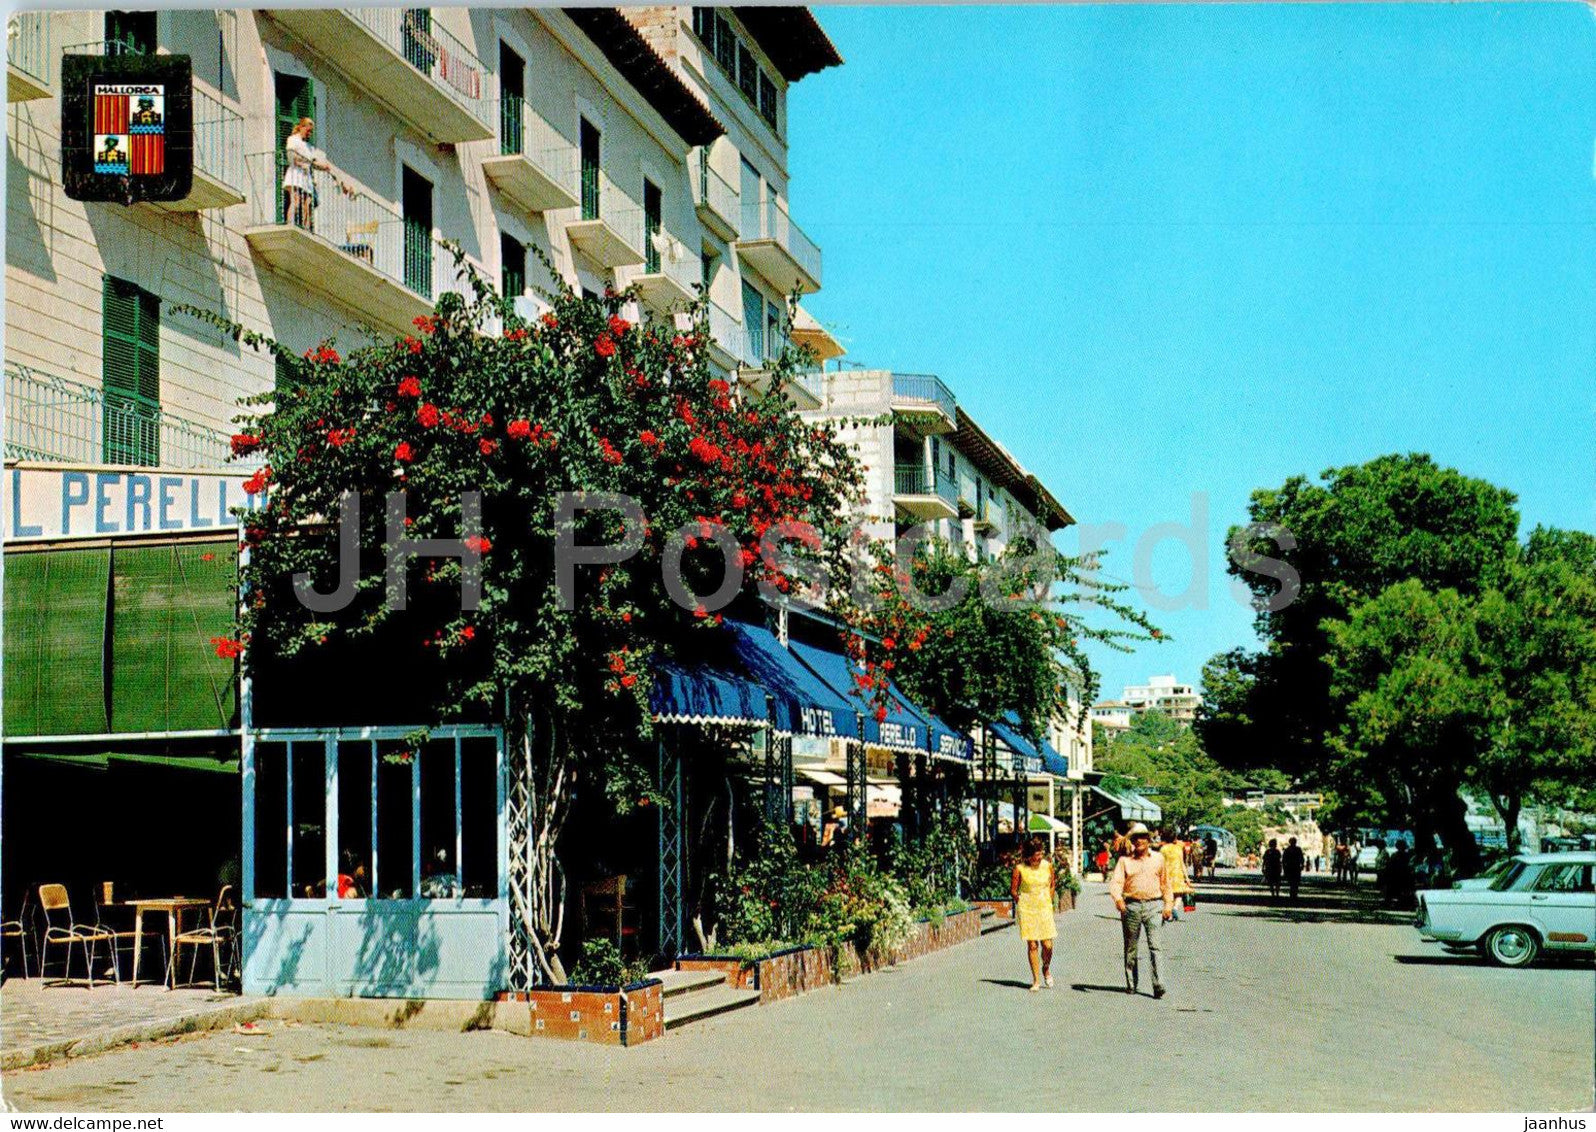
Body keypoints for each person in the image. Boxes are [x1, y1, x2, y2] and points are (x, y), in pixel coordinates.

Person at [1108, 822, 1172, 998]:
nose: (1140, 841)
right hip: (1132, 906)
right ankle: (1131, 983)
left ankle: (1158, 985)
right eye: (1136, 838)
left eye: (1143, 837)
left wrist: (1168, 905)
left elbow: (1166, 883)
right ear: (1132, 841)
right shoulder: (1124, 861)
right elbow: (1116, 883)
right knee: (1131, 947)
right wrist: (1118, 899)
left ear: (1148, 840)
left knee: (1155, 946)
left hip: (1154, 905)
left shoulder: (1158, 859)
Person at [281, 117, 353, 231]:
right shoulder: (293, 139)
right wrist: (303, 162)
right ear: (301, 127)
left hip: (306, 177)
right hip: (296, 173)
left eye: (311, 131)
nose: (309, 133)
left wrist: (325, 167)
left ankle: (306, 229)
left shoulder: (309, 147)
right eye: (308, 130)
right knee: (296, 200)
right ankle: (290, 224)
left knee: (308, 204)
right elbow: (291, 157)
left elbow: (313, 163)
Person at [1011, 837, 1056, 992]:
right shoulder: (1020, 869)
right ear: (1029, 856)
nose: (1039, 857)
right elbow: (1014, 890)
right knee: (1032, 945)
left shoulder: (1048, 866)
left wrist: (1048, 898)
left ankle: (1046, 967)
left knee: (1047, 945)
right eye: (1036, 854)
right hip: (1028, 909)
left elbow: (1052, 885)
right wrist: (1021, 902)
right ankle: (1036, 980)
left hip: (1044, 908)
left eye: (1040, 854)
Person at [1159, 828, 1194, 919]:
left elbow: (1160, 863)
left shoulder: (1163, 849)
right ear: (1175, 838)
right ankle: (1175, 908)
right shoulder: (1178, 849)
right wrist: (1187, 878)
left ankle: (1169, 911)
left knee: (1168, 894)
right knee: (1179, 894)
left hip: (1166, 874)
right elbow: (1182, 863)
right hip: (1177, 874)